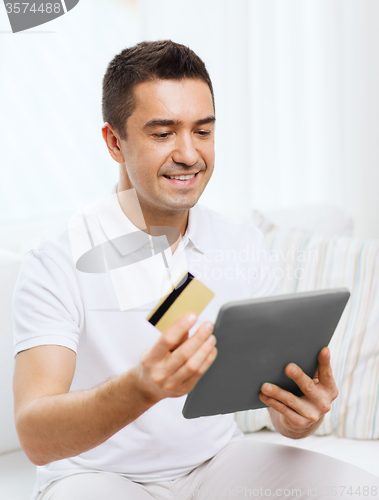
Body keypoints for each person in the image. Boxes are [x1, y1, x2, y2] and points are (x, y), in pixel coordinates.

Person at [13, 40, 379, 500]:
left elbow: (274, 401)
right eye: (163, 134)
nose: (189, 154)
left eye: (202, 131)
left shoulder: (241, 245)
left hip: (217, 463)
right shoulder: (56, 260)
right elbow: (34, 437)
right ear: (114, 141)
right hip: (96, 477)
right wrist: (141, 388)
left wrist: (297, 418)